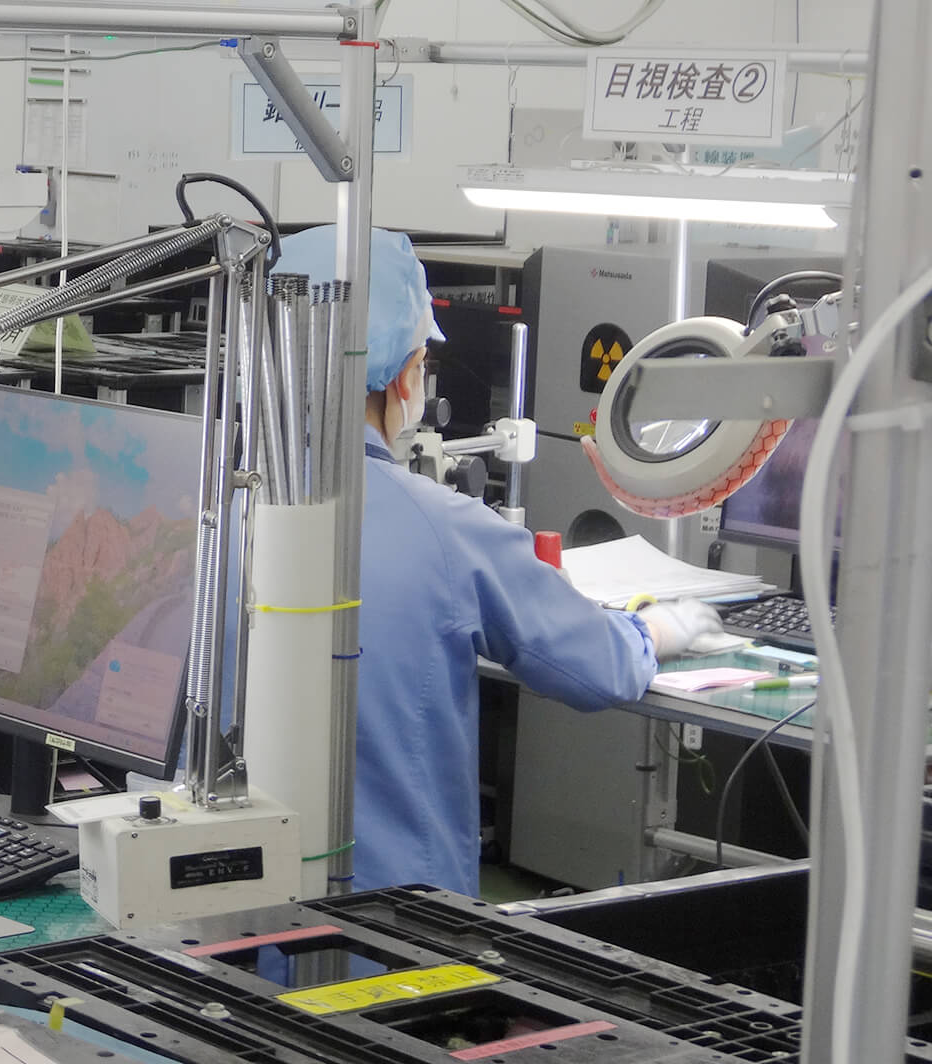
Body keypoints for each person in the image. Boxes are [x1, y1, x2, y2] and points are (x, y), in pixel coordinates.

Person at [270, 226, 720, 897]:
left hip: (225, 909)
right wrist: (655, 629)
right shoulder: (443, 528)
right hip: (397, 919)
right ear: (402, 375)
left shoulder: (220, 507)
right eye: (422, 363)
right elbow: (594, 668)